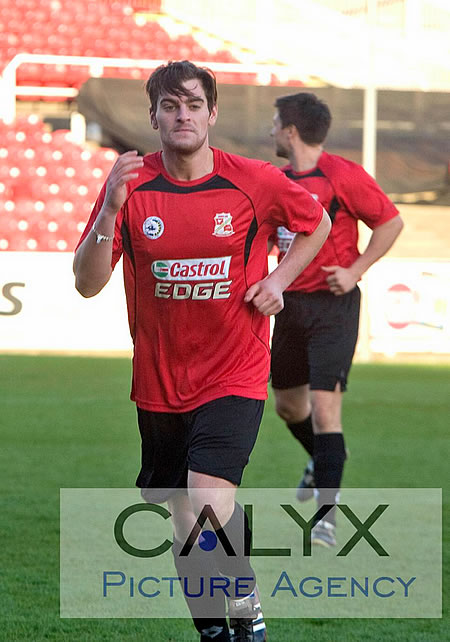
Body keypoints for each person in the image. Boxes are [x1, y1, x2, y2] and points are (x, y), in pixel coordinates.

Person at [73, 62, 331, 642]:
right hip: (159, 382)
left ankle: (247, 607)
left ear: (212, 113)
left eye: (193, 104)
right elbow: (87, 282)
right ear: (154, 116)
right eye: (170, 105)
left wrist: (279, 281)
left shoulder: (255, 181)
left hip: (234, 371)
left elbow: (315, 223)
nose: (182, 115)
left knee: (208, 500)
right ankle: (213, 631)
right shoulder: (129, 184)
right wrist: (111, 211)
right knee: (186, 520)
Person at [269, 92, 403, 548]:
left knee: (326, 411)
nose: (270, 130)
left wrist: (355, 269)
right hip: (288, 305)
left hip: (332, 305)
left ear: (290, 131)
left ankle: (326, 519)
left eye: (274, 123)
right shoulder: (276, 180)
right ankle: (322, 464)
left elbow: (390, 222)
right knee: (288, 406)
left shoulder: (341, 175)